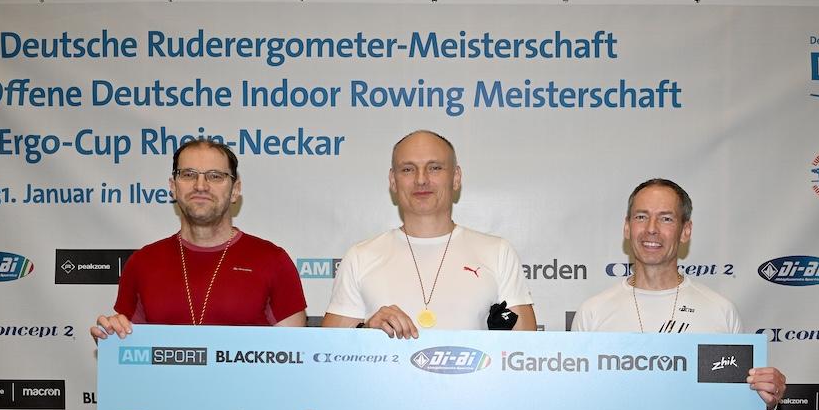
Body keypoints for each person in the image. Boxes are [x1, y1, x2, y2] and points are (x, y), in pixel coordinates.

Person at [573, 178, 785, 410]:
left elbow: (735, 405)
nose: (651, 228)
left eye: (666, 218)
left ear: (685, 231)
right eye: (641, 217)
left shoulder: (720, 311)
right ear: (627, 227)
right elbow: (578, 404)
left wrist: (765, 401)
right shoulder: (593, 312)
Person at [322, 130, 536, 338]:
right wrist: (366, 331)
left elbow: (526, 351)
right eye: (408, 169)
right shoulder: (360, 257)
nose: (421, 179)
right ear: (393, 180)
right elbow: (327, 351)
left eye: (434, 168)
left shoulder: (497, 253)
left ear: (456, 177)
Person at [90, 139, 306, 341]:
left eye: (215, 176)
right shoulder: (142, 263)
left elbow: (294, 355)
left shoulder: (273, 261)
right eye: (188, 174)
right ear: (173, 187)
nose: (201, 185)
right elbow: (127, 352)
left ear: (235, 190)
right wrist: (111, 339)